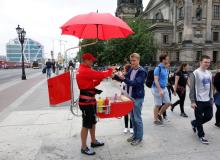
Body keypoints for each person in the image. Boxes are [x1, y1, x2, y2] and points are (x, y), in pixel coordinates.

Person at [76, 53, 113, 156]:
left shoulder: (83, 70)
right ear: (86, 60)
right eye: (91, 61)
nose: (93, 62)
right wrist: (110, 71)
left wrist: (100, 79)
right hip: (86, 102)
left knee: (92, 122)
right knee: (86, 125)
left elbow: (92, 84)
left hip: (90, 101)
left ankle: (93, 141)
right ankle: (83, 147)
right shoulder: (85, 70)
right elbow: (100, 74)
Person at [114, 53, 147, 146]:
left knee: (137, 118)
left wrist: (124, 78)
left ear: (138, 60)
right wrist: (114, 75)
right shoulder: (132, 69)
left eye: (134, 60)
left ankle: (139, 137)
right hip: (130, 96)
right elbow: (125, 78)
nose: (132, 62)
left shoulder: (142, 71)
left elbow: (135, 83)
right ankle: (135, 135)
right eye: (131, 61)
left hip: (138, 97)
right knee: (132, 117)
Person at [190, 55, 213, 144]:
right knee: (199, 119)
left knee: (209, 116)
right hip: (198, 100)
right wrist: (192, 101)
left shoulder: (209, 73)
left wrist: (211, 98)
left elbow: (210, 86)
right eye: (205, 62)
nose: (207, 64)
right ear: (200, 62)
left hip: (207, 99)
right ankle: (201, 135)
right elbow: (192, 88)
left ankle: (194, 123)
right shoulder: (195, 73)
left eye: (208, 62)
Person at [152, 53, 171, 125]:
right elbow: (156, 80)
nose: (168, 60)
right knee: (158, 104)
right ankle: (155, 119)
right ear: (163, 60)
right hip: (157, 89)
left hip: (164, 88)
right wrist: (160, 90)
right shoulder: (158, 68)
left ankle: (159, 114)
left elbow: (165, 78)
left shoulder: (165, 68)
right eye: (167, 58)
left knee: (168, 103)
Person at [120, 64, 133, 134]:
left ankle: (131, 127)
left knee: (131, 113)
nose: (123, 71)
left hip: (131, 98)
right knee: (125, 113)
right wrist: (121, 98)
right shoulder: (123, 81)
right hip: (125, 99)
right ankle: (125, 127)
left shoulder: (131, 80)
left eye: (124, 70)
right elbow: (122, 91)